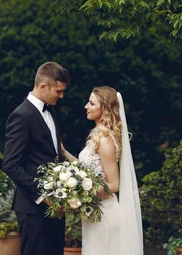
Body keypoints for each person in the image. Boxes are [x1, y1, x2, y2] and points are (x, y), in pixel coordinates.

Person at [61, 86, 144, 255]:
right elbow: (87, 170)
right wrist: (63, 152)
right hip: (94, 214)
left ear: (104, 108)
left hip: (104, 214)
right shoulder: (98, 136)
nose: (86, 106)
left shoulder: (105, 140)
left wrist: (82, 194)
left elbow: (113, 184)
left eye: (91, 103)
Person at [2, 61, 70, 255]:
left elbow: (52, 156)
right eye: (58, 91)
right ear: (43, 86)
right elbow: (11, 164)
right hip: (32, 208)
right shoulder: (21, 116)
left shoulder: (52, 111)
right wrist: (43, 196)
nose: (61, 95)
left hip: (56, 206)